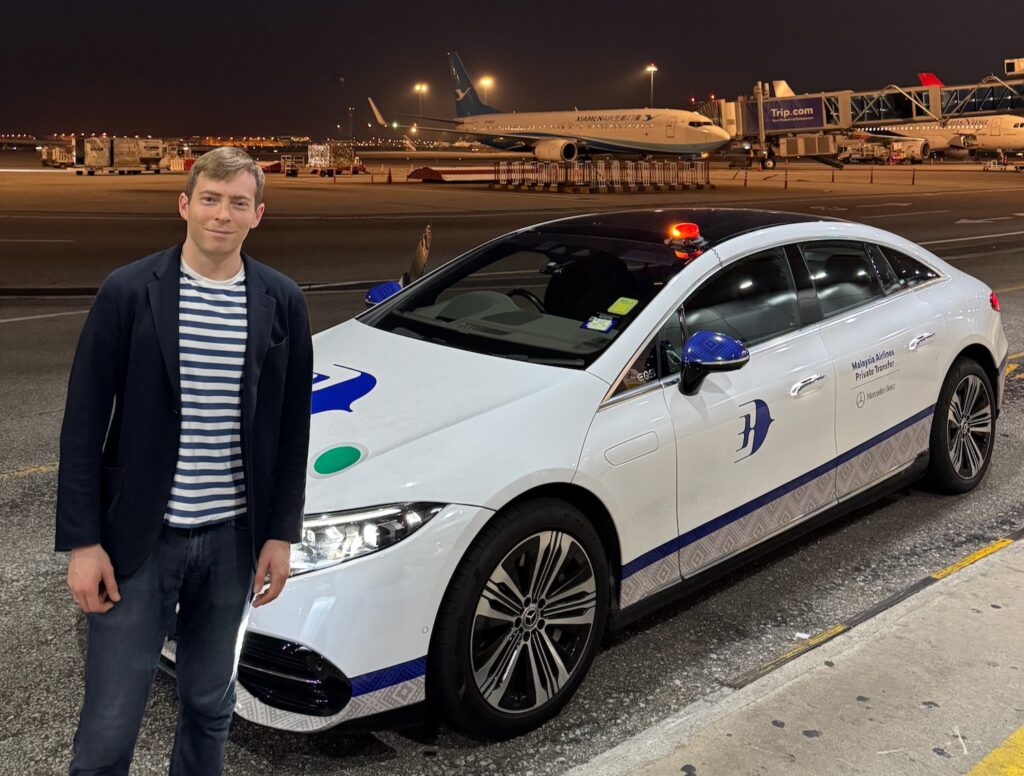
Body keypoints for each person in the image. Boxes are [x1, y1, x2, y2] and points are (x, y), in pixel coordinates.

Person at [56, 146, 313, 775]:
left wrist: (281, 533)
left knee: (209, 704)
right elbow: (83, 423)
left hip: (233, 542)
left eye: (237, 203)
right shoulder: (128, 291)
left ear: (258, 214)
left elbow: (290, 432)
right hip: (139, 543)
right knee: (111, 721)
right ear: (184, 205)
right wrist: (83, 543)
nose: (222, 215)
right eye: (209, 199)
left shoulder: (281, 301)